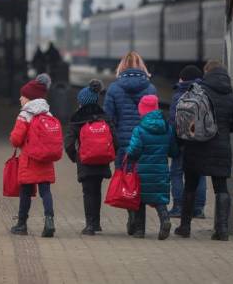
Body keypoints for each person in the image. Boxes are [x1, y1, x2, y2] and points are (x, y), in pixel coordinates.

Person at [176, 60, 233, 241]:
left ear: (206, 72)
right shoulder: (231, 95)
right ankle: (221, 230)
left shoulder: (198, 91)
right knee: (221, 188)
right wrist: (222, 130)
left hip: (196, 146)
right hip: (221, 148)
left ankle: (185, 227)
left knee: (190, 186)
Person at [103, 51, 157, 235]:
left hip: (123, 142)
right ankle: (140, 227)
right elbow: (155, 118)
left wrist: (112, 141)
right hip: (145, 143)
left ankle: (132, 217)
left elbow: (108, 118)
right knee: (140, 181)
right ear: (142, 66)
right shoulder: (150, 89)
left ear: (122, 67)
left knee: (128, 180)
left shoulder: (114, 89)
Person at [9, 73, 56, 238]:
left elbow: (16, 139)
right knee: (46, 191)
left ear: (29, 98)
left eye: (23, 96)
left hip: (29, 160)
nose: (20, 99)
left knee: (25, 192)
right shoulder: (48, 113)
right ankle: (49, 221)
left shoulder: (25, 114)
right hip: (45, 160)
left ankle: (22, 224)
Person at [65, 81, 115, 235]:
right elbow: (115, 139)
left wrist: (76, 157)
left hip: (86, 161)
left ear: (81, 102)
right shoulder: (104, 117)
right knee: (97, 190)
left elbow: (68, 143)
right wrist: (111, 155)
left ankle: (90, 225)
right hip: (102, 160)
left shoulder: (77, 119)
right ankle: (97, 222)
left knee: (88, 192)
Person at [126, 95, 178, 240]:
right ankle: (165, 220)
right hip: (161, 170)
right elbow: (173, 151)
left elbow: (134, 151)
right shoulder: (167, 128)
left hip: (142, 171)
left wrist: (129, 157)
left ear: (142, 110)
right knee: (159, 199)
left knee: (140, 201)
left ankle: (139, 231)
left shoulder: (139, 129)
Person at [168, 65, 207, 218]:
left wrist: (173, 144)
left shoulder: (178, 95)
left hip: (182, 141)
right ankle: (198, 209)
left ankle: (178, 206)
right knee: (200, 174)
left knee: (177, 173)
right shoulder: (204, 93)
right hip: (200, 141)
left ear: (182, 78)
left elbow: (173, 121)